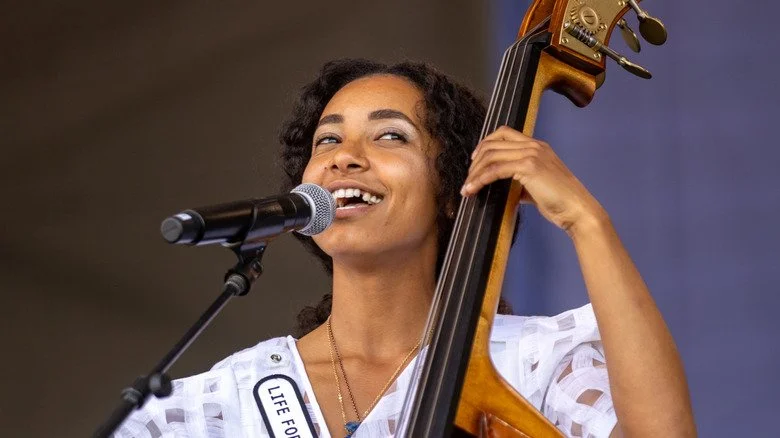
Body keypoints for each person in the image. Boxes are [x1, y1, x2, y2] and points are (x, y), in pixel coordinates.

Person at [115, 59, 696, 438]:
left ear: (453, 190)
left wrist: (585, 220)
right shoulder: (215, 405)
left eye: (390, 135)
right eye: (328, 139)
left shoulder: (536, 367)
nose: (345, 155)